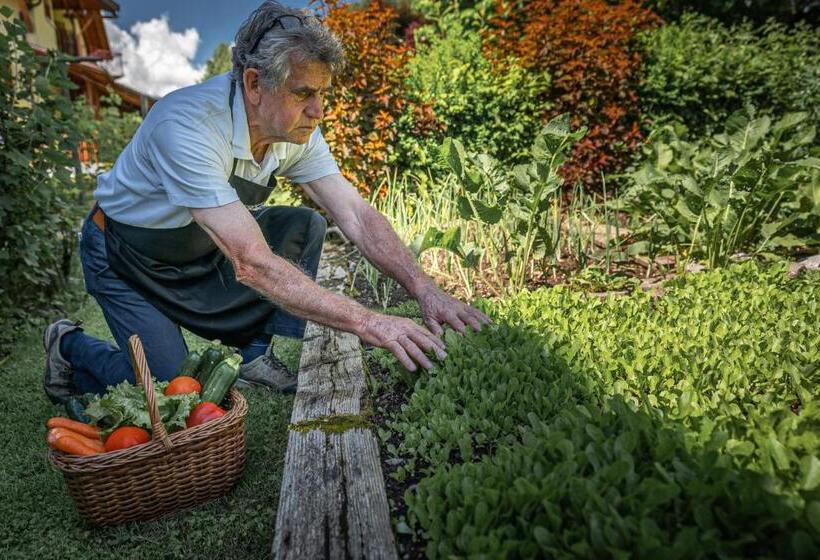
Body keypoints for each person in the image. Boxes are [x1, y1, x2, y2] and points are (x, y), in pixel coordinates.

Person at [42, 0, 489, 403]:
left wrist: (425, 289)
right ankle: (69, 345)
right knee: (175, 390)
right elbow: (250, 262)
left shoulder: (294, 132)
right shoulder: (186, 126)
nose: (319, 111)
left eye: (322, 93)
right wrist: (371, 322)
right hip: (125, 254)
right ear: (255, 84)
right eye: (303, 93)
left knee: (303, 227)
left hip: (198, 247)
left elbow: (354, 213)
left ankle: (254, 357)